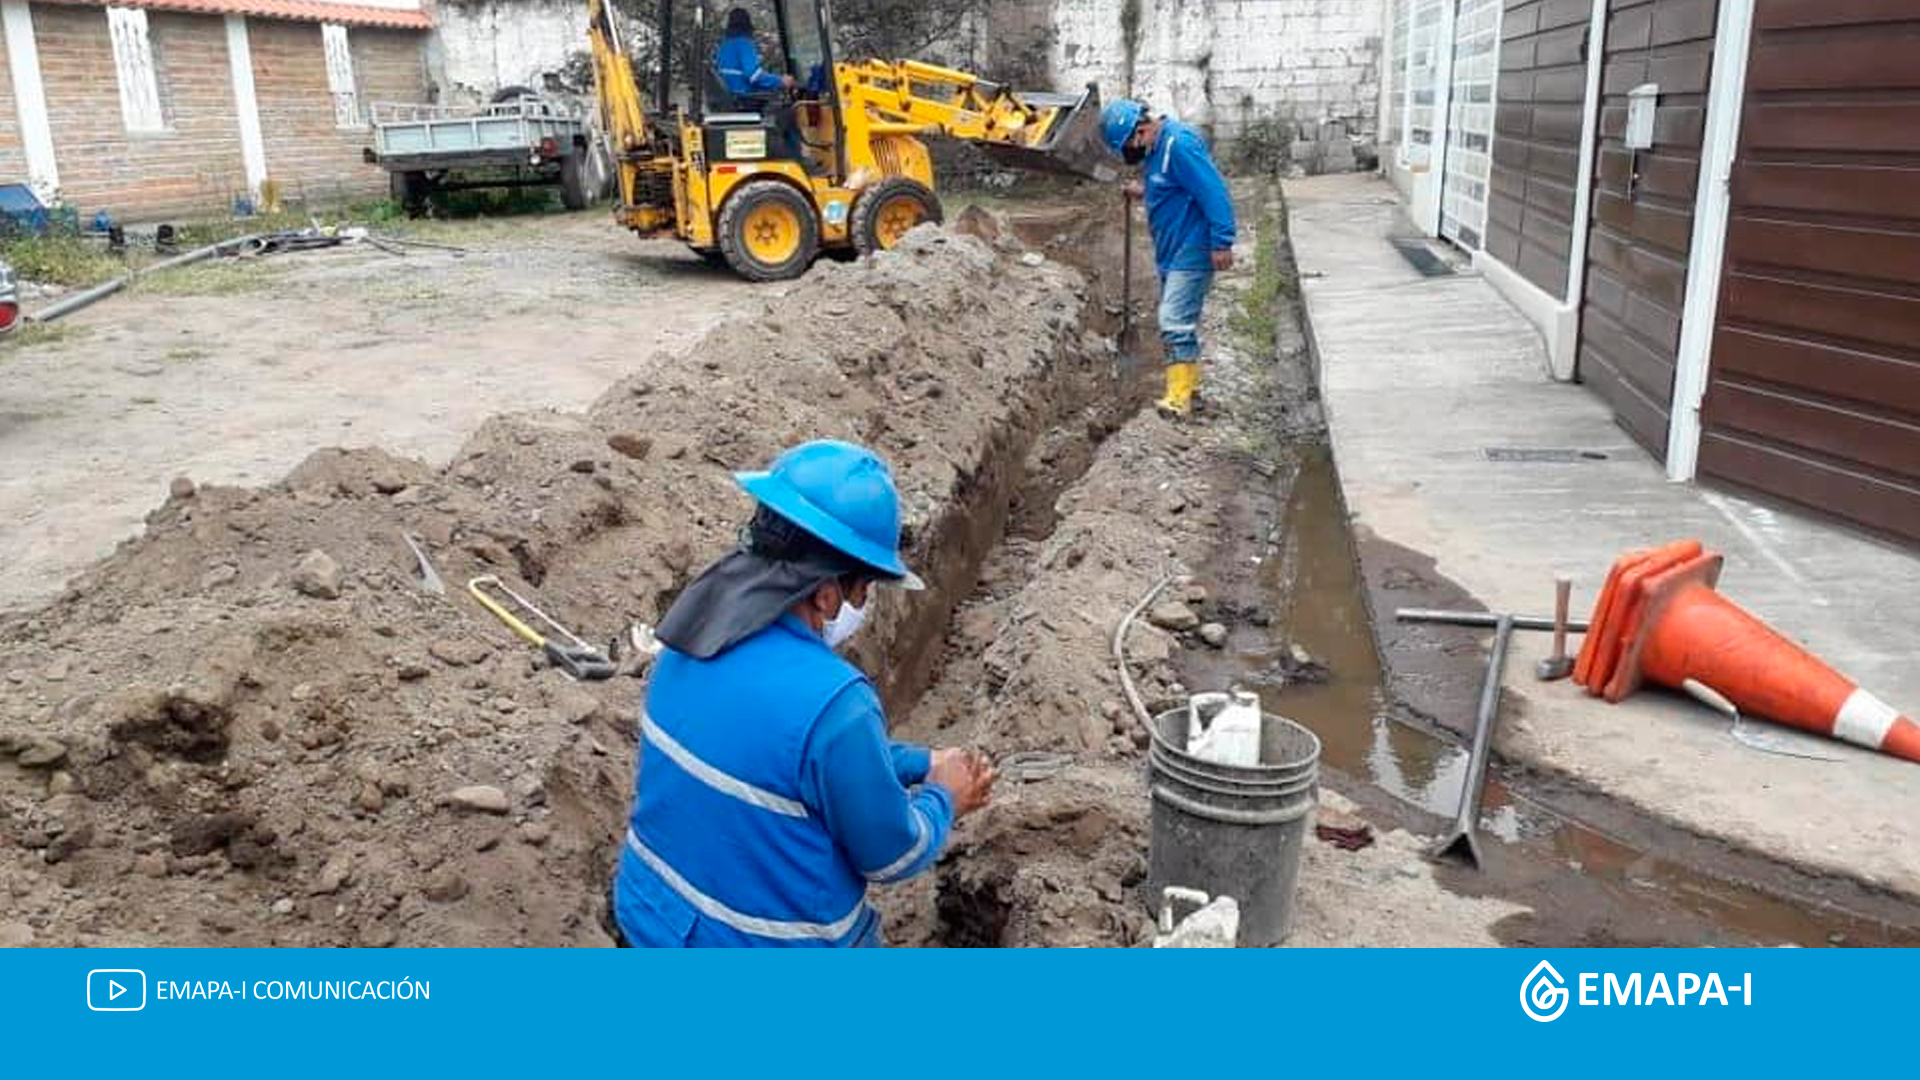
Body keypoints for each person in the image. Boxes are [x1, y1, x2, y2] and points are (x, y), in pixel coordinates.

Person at [612, 439, 996, 947]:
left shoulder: (688, 635)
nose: (862, 605)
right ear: (825, 593)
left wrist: (918, 762)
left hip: (650, 920)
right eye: (863, 590)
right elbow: (891, 855)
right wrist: (944, 795)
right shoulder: (835, 704)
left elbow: (782, 760)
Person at [1100, 98, 1237, 419]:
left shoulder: (1179, 145)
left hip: (1193, 246)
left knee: (1173, 319)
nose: (1134, 152)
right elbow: (1169, 186)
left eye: (1133, 144)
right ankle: (1191, 391)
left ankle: (1179, 400)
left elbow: (1213, 192)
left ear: (1142, 128)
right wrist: (1142, 191)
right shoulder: (1157, 150)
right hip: (1172, 249)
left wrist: (1222, 241)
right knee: (1179, 321)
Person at [714, 7, 810, 166]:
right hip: (745, 100)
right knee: (788, 113)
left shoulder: (725, 46)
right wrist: (781, 81)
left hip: (734, 97)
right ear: (747, 26)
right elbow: (754, 76)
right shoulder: (743, 43)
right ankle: (797, 162)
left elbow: (740, 75)